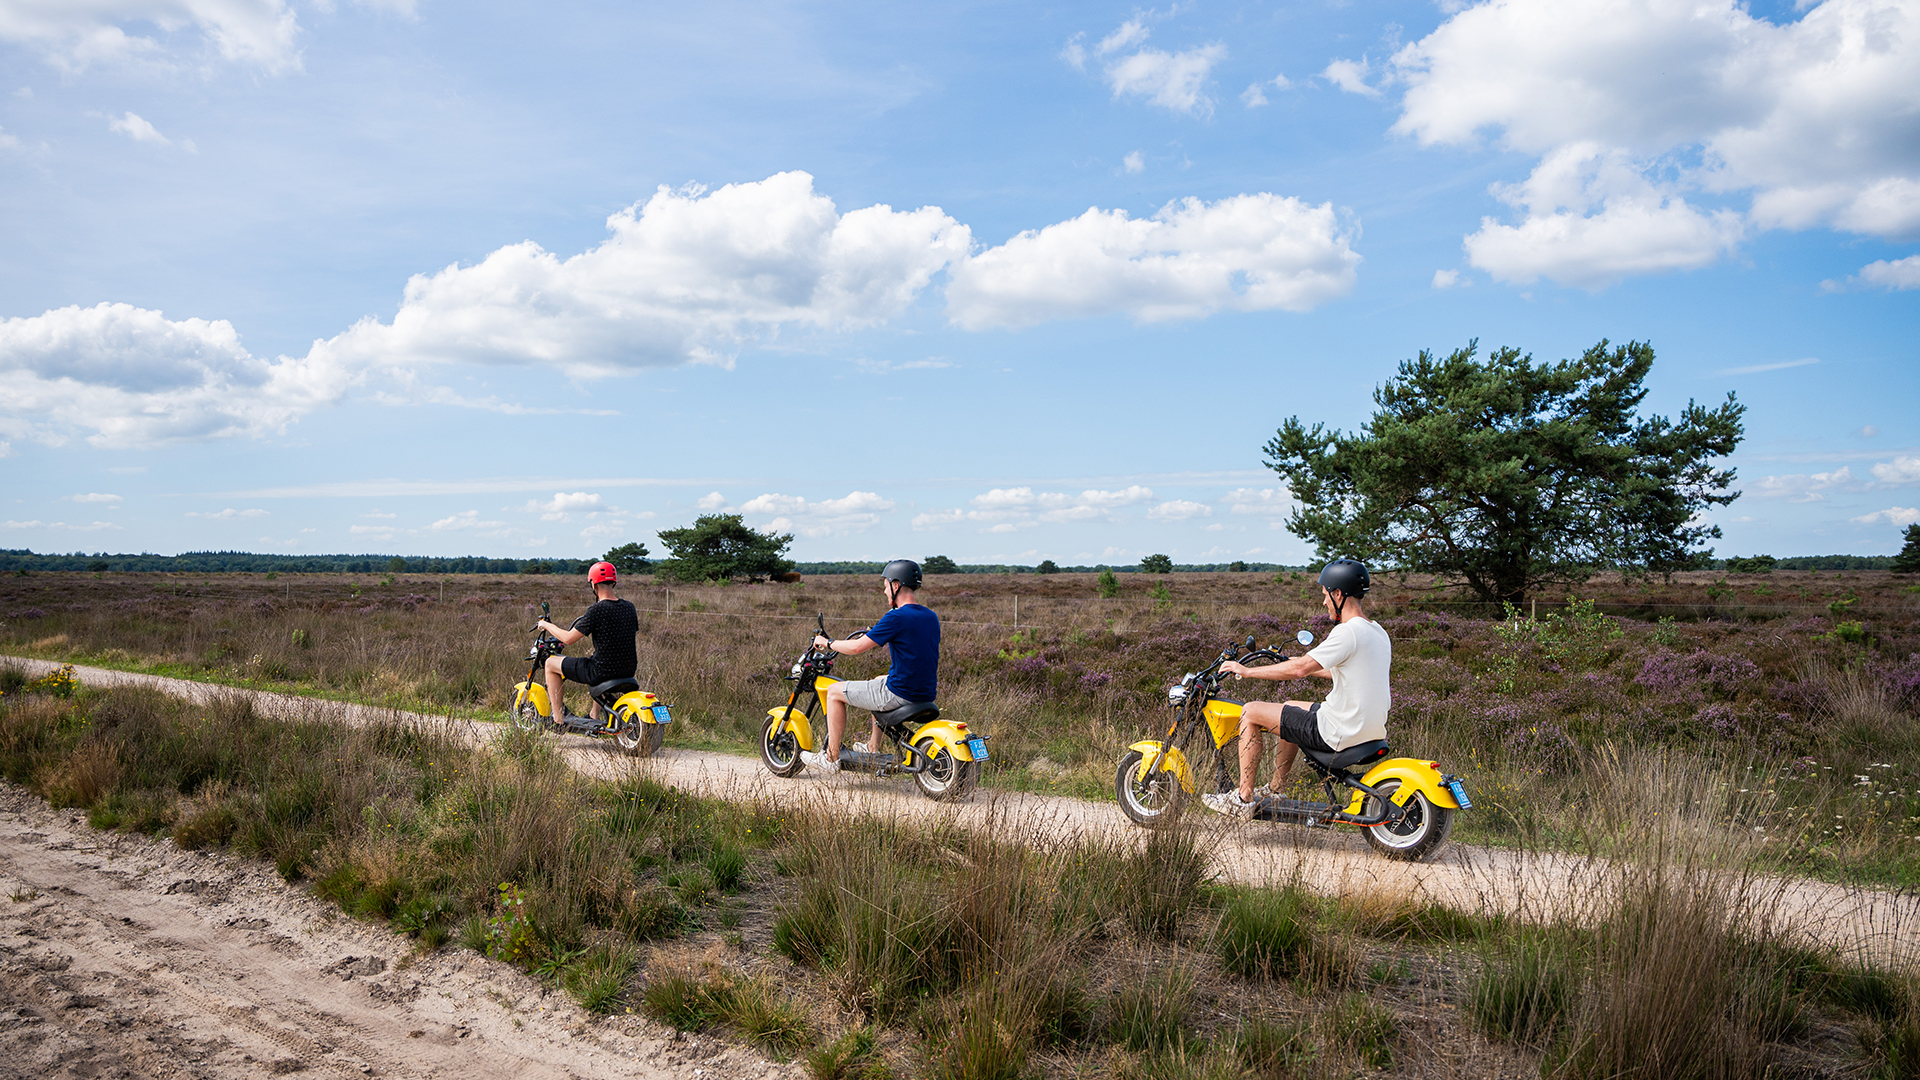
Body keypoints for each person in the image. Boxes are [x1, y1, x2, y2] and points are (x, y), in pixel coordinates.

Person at [1203, 558, 1390, 818]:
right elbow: (1339, 670)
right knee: (1289, 707)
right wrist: (1295, 661)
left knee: (1251, 711)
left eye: (1326, 595)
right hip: (1366, 727)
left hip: (1338, 732)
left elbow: (1301, 670)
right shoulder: (1377, 632)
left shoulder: (1348, 632)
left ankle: (1243, 798)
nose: (1324, 602)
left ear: (1338, 594)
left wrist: (1246, 671)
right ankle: (1276, 790)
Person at [800, 559, 939, 774]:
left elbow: (856, 648)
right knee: (877, 681)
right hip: (924, 692)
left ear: (896, 585)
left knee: (834, 691)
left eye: (885, 585)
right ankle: (872, 748)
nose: (884, 591)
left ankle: (830, 758)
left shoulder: (896, 617)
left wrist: (826, 643)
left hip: (900, 693)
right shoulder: (931, 616)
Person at [534, 561, 640, 725]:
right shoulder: (629, 607)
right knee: (596, 658)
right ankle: (593, 715)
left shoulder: (596, 610)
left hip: (601, 671)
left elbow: (569, 639)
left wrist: (547, 625)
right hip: (628, 670)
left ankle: (558, 721)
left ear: (593, 583)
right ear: (614, 581)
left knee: (549, 663)